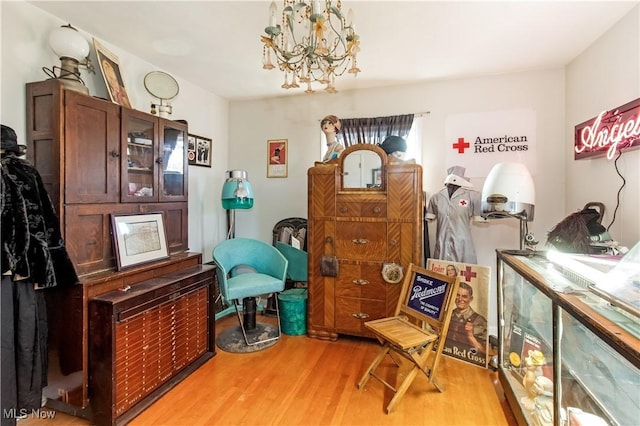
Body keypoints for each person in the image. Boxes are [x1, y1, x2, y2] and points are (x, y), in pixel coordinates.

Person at [1, 125, 79, 426]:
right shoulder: (26, 174)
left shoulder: (26, 174)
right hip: (23, 271)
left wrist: (55, 266)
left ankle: (23, 402)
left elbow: (46, 223)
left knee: (23, 336)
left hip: (24, 272)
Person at [426, 165, 485, 264]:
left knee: (464, 274)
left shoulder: (472, 196)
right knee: (441, 274)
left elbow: (479, 218)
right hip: (442, 242)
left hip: (462, 243)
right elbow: (430, 217)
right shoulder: (436, 197)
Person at [445, 281, 488, 356]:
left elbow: (484, 352)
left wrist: (470, 336)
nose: (460, 299)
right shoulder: (447, 315)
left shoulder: (480, 321)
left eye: (464, 296)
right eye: (457, 295)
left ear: (471, 299)